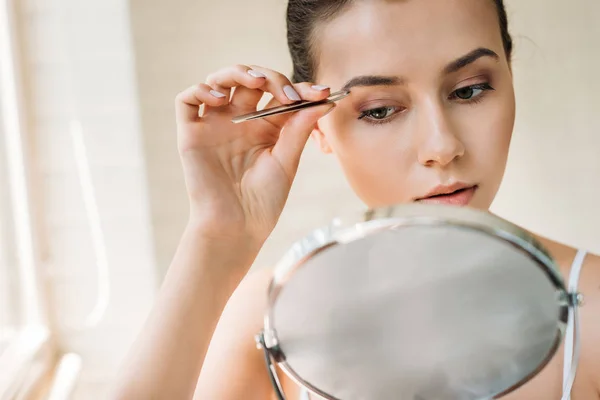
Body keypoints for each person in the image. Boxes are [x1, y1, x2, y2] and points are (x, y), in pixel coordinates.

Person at [113, 0, 600, 399]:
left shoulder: (594, 311)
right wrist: (216, 240)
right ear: (316, 125)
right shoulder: (266, 325)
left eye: (470, 90)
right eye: (382, 110)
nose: (441, 146)